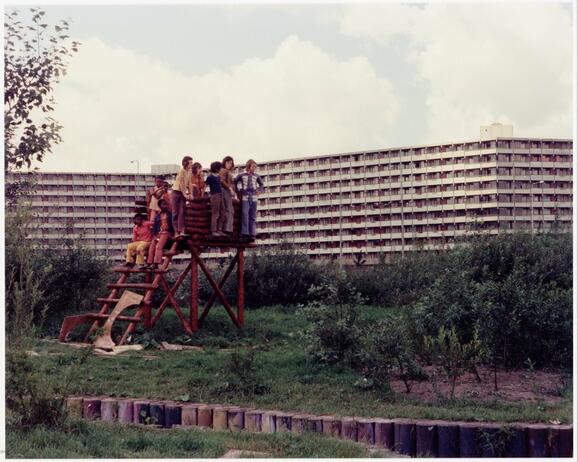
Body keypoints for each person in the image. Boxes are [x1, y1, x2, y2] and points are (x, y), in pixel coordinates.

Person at [234, 159, 264, 241]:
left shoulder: (257, 176)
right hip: (245, 197)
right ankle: (245, 233)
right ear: (248, 166)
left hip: (254, 197)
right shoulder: (242, 175)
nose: (254, 168)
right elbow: (235, 181)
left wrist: (259, 191)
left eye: (255, 167)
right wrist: (238, 191)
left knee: (253, 216)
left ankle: (252, 233)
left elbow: (261, 184)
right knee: (245, 215)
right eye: (253, 166)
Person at [142, 199, 174, 270]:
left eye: (166, 204)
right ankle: (149, 263)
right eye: (163, 204)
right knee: (152, 244)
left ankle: (156, 263)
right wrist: (155, 235)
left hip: (167, 233)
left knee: (158, 246)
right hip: (160, 233)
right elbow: (155, 227)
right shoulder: (157, 216)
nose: (165, 206)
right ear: (160, 206)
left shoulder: (170, 215)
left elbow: (174, 226)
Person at [171, 155, 193, 239]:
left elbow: (189, 183)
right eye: (190, 162)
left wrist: (190, 193)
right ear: (185, 163)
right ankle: (176, 231)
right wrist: (185, 194)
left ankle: (181, 231)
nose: (191, 164)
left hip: (182, 193)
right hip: (176, 192)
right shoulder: (182, 171)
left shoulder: (189, 171)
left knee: (182, 212)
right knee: (175, 212)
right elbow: (181, 183)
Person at [205, 161, 226, 237]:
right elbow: (205, 185)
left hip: (220, 195)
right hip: (214, 195)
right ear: (217, 169)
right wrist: (204, 194)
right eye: (220, 168)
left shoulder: (218, 176)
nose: (221, 169)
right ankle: (214, 230)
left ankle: (219, 230)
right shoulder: (210, 177)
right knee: (215, 214)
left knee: (223, 213)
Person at [220, 156, 236, 235]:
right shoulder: (224, 170)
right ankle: (227, 229)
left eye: (231, 163)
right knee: (229, 210)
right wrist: (229, 188)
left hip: (228, 191)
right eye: (228, 163)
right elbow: (222, 180)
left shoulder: (228, 172)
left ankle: (228, 228)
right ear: (224, 162)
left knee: (229, 210)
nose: (229, 164)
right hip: (224, 191)